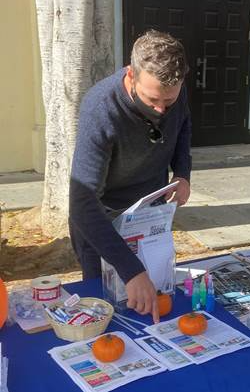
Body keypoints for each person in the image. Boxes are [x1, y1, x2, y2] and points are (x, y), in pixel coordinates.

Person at [69, 30, 192, 324]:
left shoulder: (173, 89)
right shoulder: (100, 108)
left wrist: (183, 172)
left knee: (155, 297)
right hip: (102, 217)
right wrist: (131, 269)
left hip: (149, 211)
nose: (161, 110)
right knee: (106, 308)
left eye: (169, 101)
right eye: (152, 100)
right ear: (131, 75)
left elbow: (183, 123)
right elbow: (83, 204)